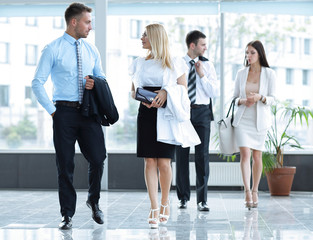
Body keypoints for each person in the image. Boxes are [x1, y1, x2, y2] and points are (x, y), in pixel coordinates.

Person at [32, 3, 106, 229]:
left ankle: (93, 201)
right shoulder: (53, 49)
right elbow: (37, 83)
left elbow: (102, 77)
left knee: (98, 157)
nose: (90, 27)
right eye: (87, 22)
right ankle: (67, 214)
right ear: (74, 22)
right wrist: (53, 111)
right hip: (63, 111)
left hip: (88, 112)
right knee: (65, 164)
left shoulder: (91, 50)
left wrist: (96, 82)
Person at [129, 24, 199, 229]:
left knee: (164, 163)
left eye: (145, 35)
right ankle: (153, 207)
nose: (141, 38)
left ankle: (165, 202)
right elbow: (133, 91)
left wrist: (166, 93)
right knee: (149, 161)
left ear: (155, 38)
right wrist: (141, 98)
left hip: (166, 113)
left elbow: (183, 91)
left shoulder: (174, 62)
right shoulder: (138, 63)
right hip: (146, 113)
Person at [175, 30, 219, 211]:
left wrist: (201, 74)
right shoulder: (178, 64)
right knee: (182, 156)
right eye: (202, 44)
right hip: (183, 112)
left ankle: (202, 200)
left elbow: (214, 93)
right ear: (192, 45)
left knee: (202, 156)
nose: (205, 47)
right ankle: (183, 198)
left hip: (202, 112)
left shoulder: (208, 66)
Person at [232, 40, 276, 209]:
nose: (248, 56)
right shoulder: (241, 73)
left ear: (259, 54)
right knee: (245, 155)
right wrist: (243, 101)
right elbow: (234, 98)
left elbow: (273, 98)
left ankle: (255, 190)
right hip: (243, 119)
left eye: (252, 53)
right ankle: (247, 191)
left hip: (260, 120)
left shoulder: (269, 74)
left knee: (257, 157)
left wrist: (260, 98)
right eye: (246, 53)